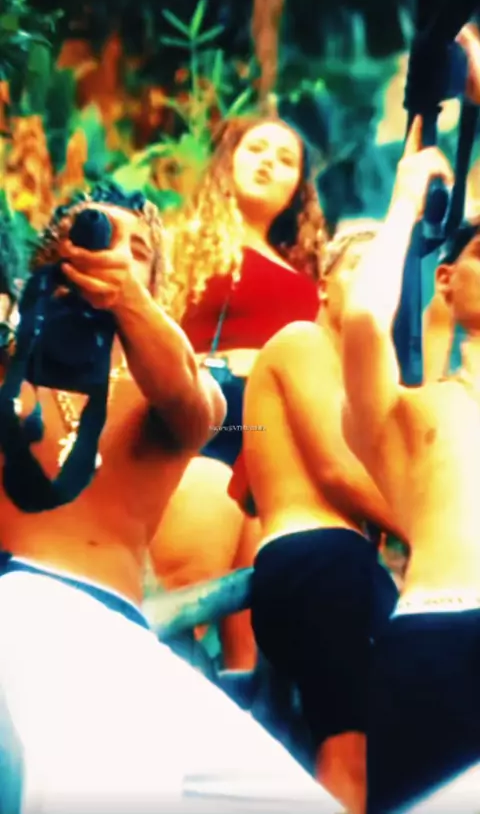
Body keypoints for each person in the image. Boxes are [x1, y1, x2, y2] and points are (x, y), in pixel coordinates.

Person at [0, 184, 339, 814]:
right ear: (56, 258)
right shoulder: (9, 374)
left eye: (137, 252)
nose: (116, 259)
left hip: (128, 640)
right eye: (98, 239)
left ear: (156, 286)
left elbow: (191, 405)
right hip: (28, 608)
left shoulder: (171, 386)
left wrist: (127, 301)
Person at [341, 109, 480, 814]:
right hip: (441, 637)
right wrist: (403, 202)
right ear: (447, 279)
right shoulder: (406, 412)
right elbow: (366, 320)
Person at [151, 115, 327, 668]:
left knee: (251, 638)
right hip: (213, 420)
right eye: (256, 149)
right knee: (187, 598)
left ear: (298, 189)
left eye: (285, 158)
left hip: (272, 446)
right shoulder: (181, 242)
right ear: (229, 160)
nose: (268, 161)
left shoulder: (308, 272)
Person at [241, 226, 401, 814]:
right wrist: (426, 532)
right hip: (318, 562)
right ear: (325, 284)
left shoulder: (361, 379)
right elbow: (335, 470)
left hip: (341, 568)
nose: (374, 282)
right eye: (359, 266)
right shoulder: (302, 340)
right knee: (350, 752)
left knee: (383, 754)